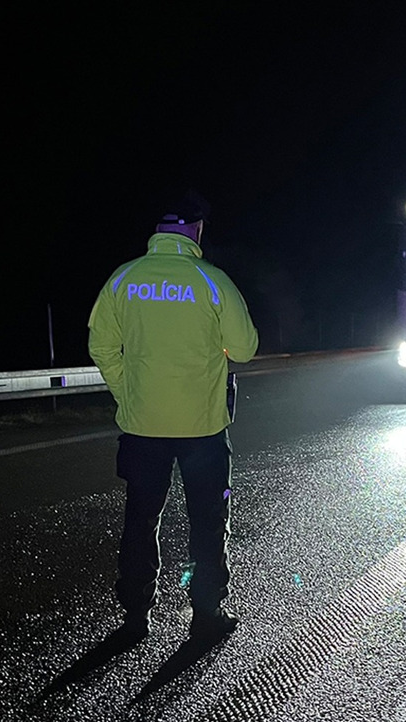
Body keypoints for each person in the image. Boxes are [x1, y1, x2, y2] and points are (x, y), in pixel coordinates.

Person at [88, 191, 258, 644]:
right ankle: (206, 614)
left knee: (141, 518)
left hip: (142, 427)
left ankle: (135, 613)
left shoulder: (124, 280)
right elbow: (244, 348)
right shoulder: (211, 281)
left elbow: (101, 346)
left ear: (158, 231)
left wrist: (130, 393)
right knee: (207, 521)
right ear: (197, 230)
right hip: (202, 428)